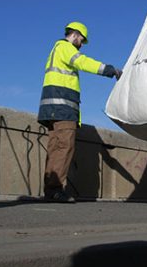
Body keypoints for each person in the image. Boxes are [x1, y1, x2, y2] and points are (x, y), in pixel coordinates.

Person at [37, 22, 122, 202]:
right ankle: (55, 190)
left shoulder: (56, 50)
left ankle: (51, 190)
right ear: (75, 34)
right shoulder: (65, 47)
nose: (81, 45)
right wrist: (110, 70)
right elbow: (83, 62)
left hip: (53, 110)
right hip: (62, 110)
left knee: (55, 149)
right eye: (81, 40)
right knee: (63, 148)